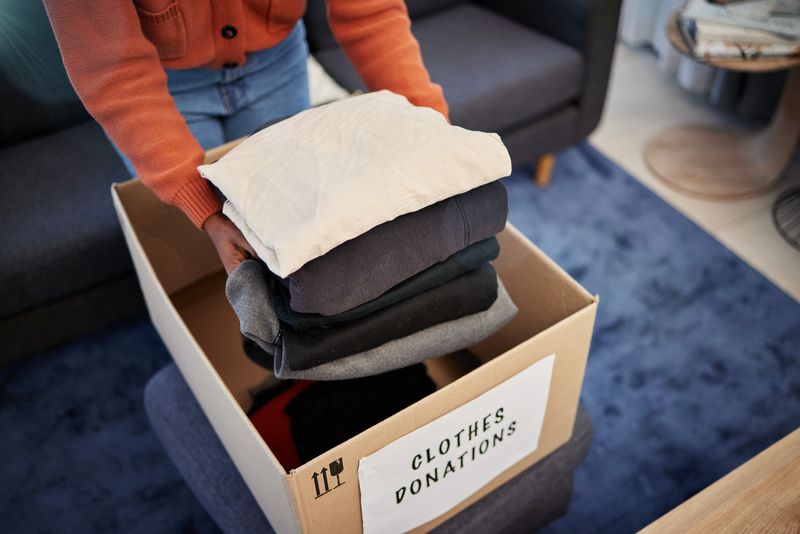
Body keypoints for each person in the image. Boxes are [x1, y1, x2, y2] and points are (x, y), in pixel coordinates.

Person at [43, 0, 449, 274]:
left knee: (294, 226)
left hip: (278, 60)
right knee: (219, 253)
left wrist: (427, 121)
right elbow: (112, 70)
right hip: (159, 85)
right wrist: (206, 210)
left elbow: (370, 11)